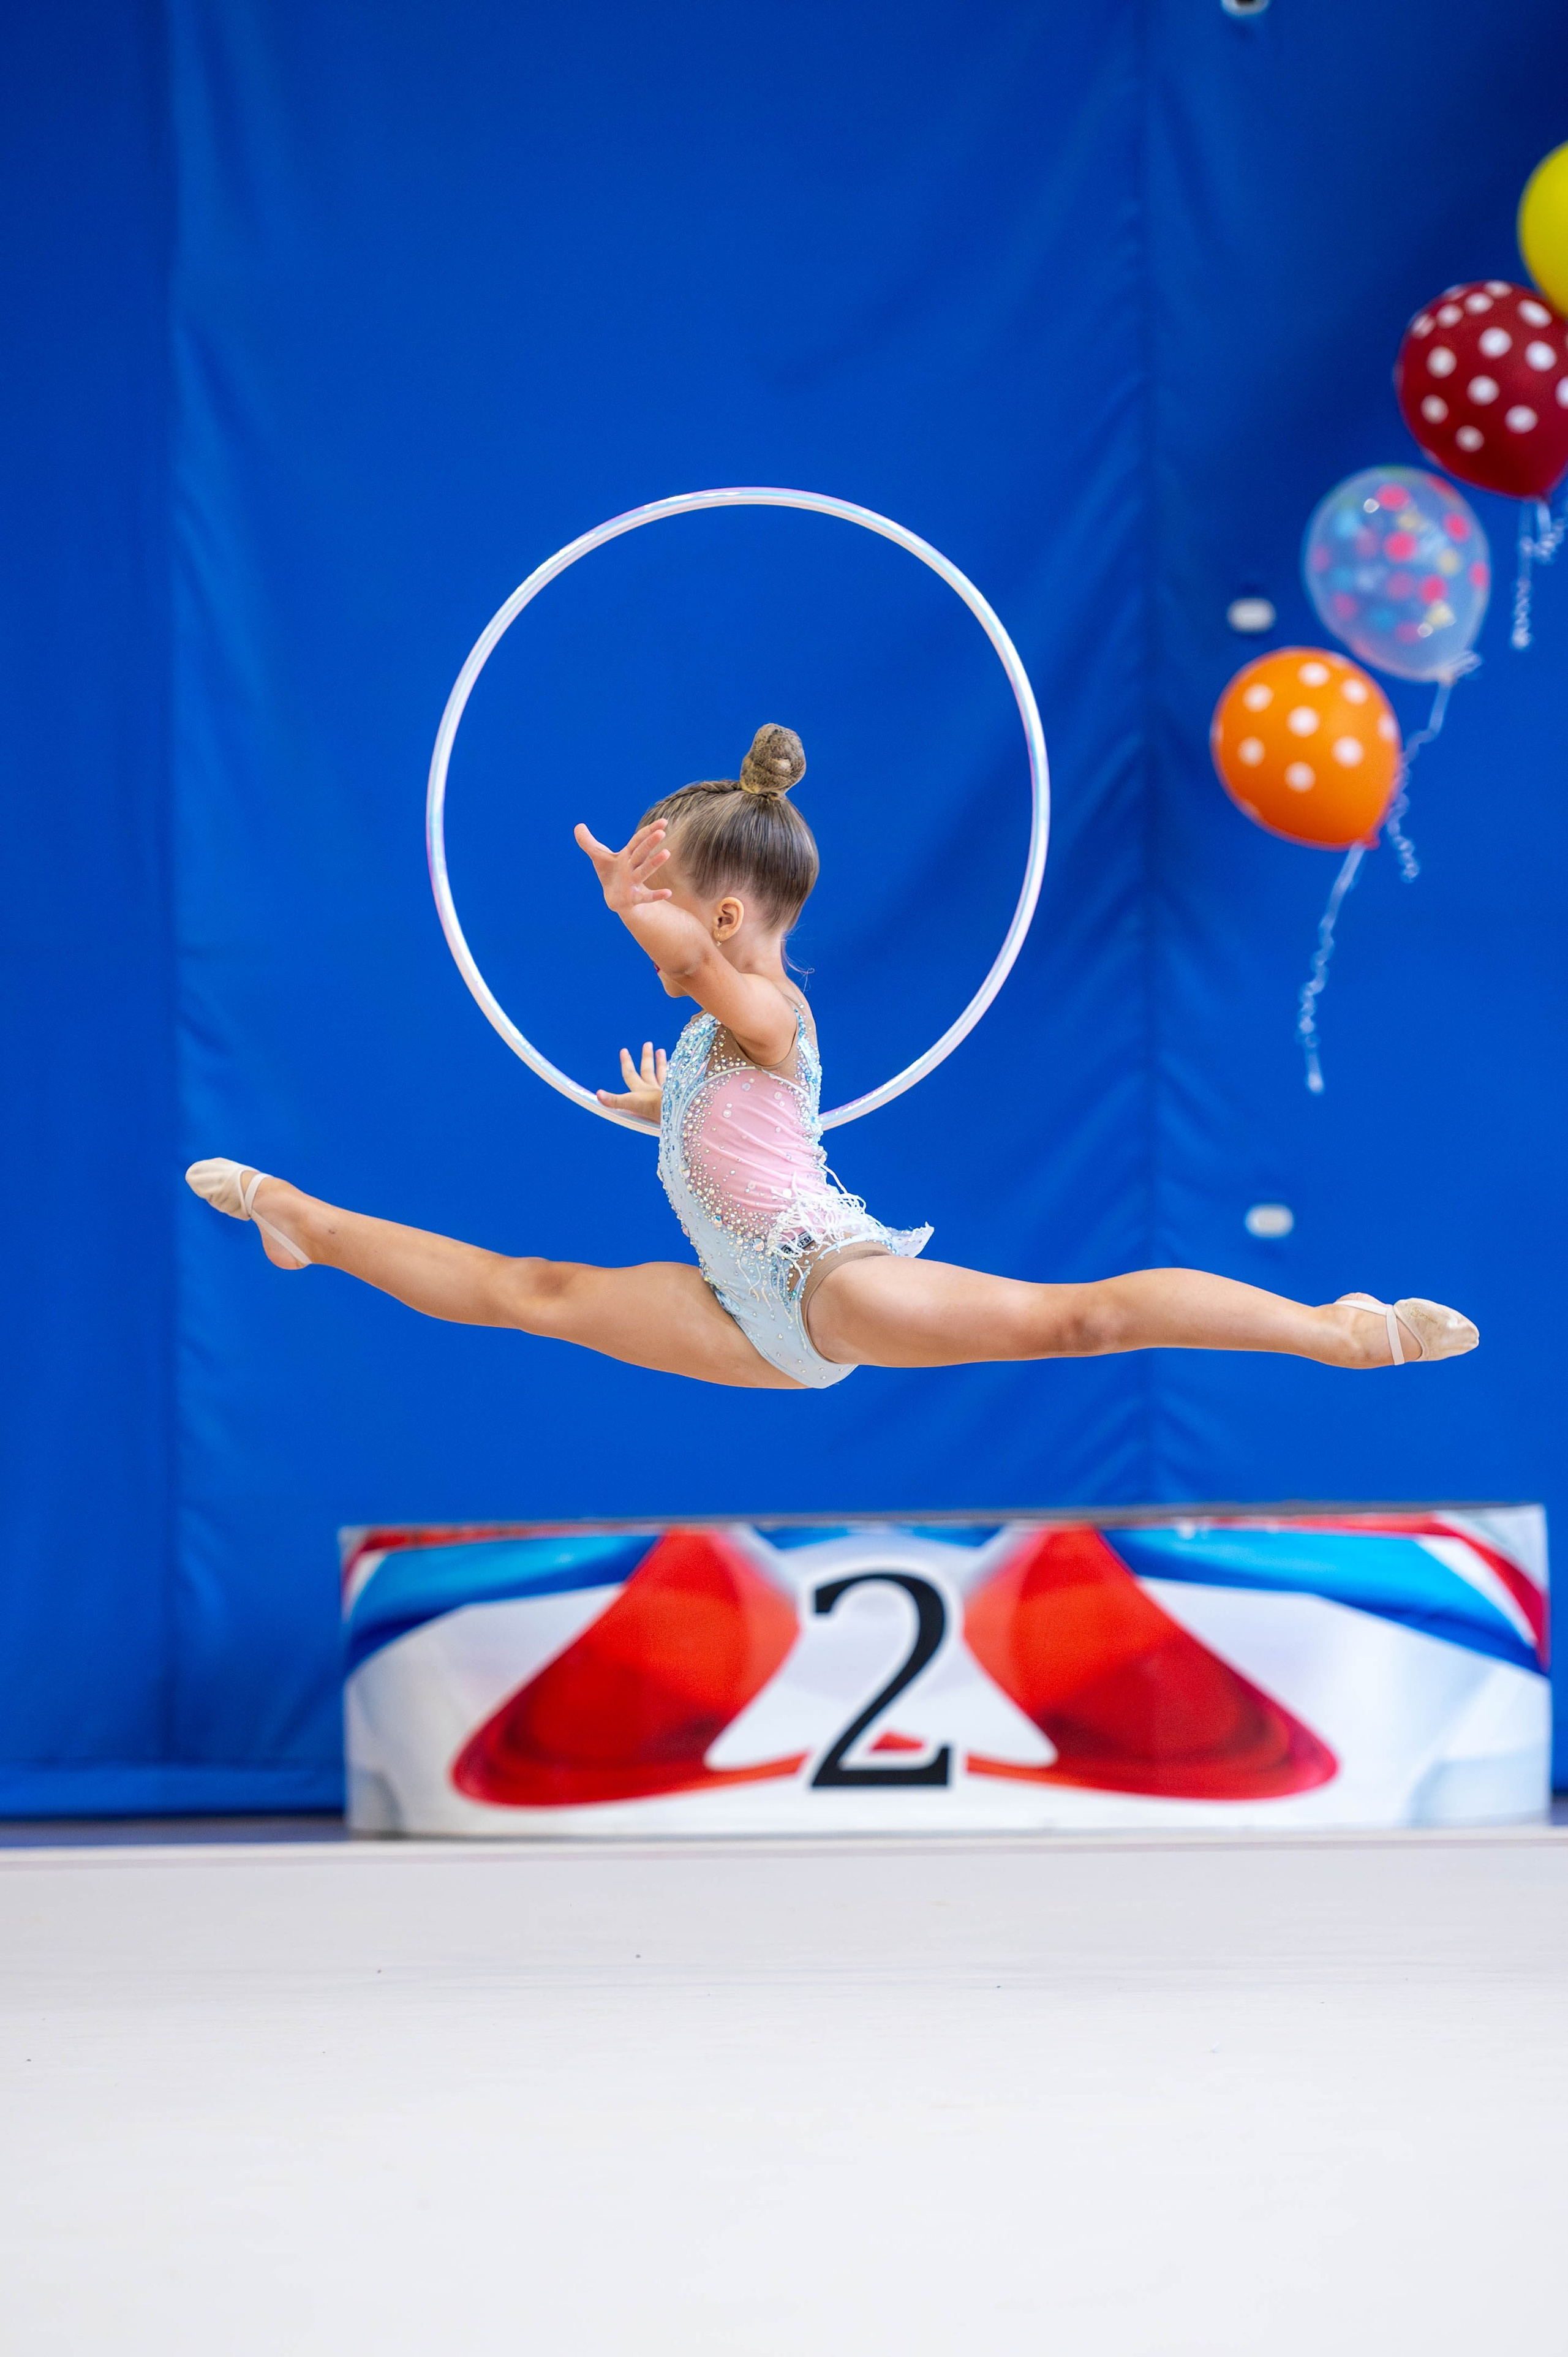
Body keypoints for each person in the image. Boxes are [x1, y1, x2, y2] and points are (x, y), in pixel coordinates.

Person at [186, 724, 1478, 1387]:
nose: (638, 913)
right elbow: (733, 1118)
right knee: (534, 1291)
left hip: (820, 1274)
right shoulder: (714, 1032)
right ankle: (298, 1217)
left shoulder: (771, 1007)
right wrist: (663, 1111)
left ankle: (1329, 1327)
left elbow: (707, 987)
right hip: (742, 1306)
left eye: (657, 891)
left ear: (728, 918)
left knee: (1068, 1322)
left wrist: (628, 911)